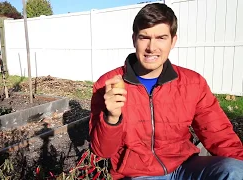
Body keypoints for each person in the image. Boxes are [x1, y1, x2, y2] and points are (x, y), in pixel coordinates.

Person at [88, 3, 243, 180]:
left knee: (235, 171)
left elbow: (218, 133)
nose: (151, 47)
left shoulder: (192, 83)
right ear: (134, 39)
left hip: (185, 167)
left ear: (173, 41)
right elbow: (103, 151)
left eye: (161, 38)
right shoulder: (108, 84)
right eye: (144, 37)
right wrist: (112, 118)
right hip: (138, 174)